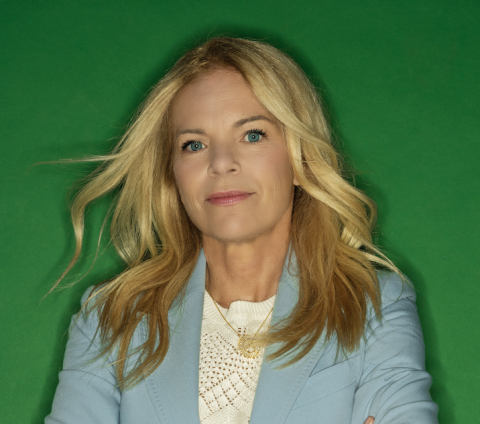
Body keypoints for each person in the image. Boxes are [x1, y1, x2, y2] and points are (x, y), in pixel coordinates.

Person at [45, 37, 438, 424]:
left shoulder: (373, 306)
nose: (221, 163)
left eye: (253, 135)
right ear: (172, 175)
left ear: (301, 155)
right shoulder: (110, 318)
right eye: (193, 145)